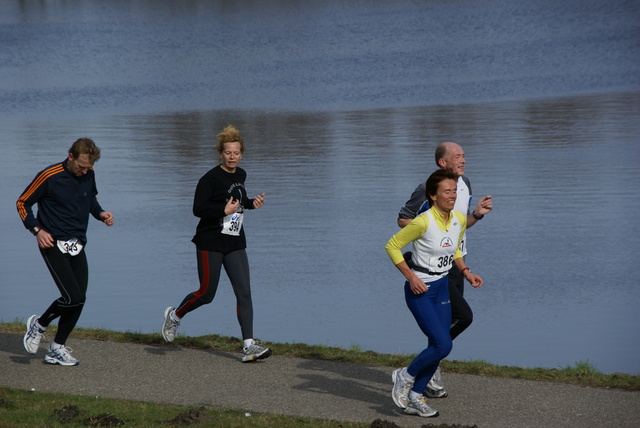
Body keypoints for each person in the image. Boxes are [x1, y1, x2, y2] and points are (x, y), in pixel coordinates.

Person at [161, 124, 271, 363]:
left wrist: (252, 203)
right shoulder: (209, 179)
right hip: (210, 242)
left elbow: (239, 203)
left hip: (235, 241)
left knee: (244, 293)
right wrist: (222, 209)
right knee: (206, 293)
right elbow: (197, 209)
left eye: (236, 153)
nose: (232, 157)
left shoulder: (241, 174)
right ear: (220, 153)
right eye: (228, 153)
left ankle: (249, 346)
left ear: (241, 154)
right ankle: (175, 315)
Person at [386, 169, 483, 418]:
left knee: (438, 345)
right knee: (443, 344)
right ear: (433, 195)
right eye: (446, 192)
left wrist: (466, 272)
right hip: (421, 291)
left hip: (441, 287)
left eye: (454, 191)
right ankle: (404, 377)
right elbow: (393, 246)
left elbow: (456, 251)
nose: (452, 196)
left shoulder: (459, 220)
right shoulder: (423, 221)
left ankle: (416, 396)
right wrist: (411, 276)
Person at [397, 141, 492, 396]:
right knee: (463, 317)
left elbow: (459, 227)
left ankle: (427, 369)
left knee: (447, 321)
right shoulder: (427, 189)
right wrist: (428, 231)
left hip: (456, 261)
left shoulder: (465, 185)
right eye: (457, 156)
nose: (463, 160)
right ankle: (420, 370)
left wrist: (478, 214)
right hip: (434, 264)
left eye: (464, 155)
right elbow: (403, 218)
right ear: (443, 162)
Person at [17, 138, 114, 366]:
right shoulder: (49, 176)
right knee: (73, 296)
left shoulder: (88, 174)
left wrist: (101, 214)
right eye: (81, 166)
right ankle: (38, 325)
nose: (84, 171)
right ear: (70, 155)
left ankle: (56, 348)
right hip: (51, 243)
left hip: (77, 243)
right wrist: (37, 230)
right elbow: (22, 203)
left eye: (89, 167)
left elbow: (90, 198)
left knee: (79, 300)